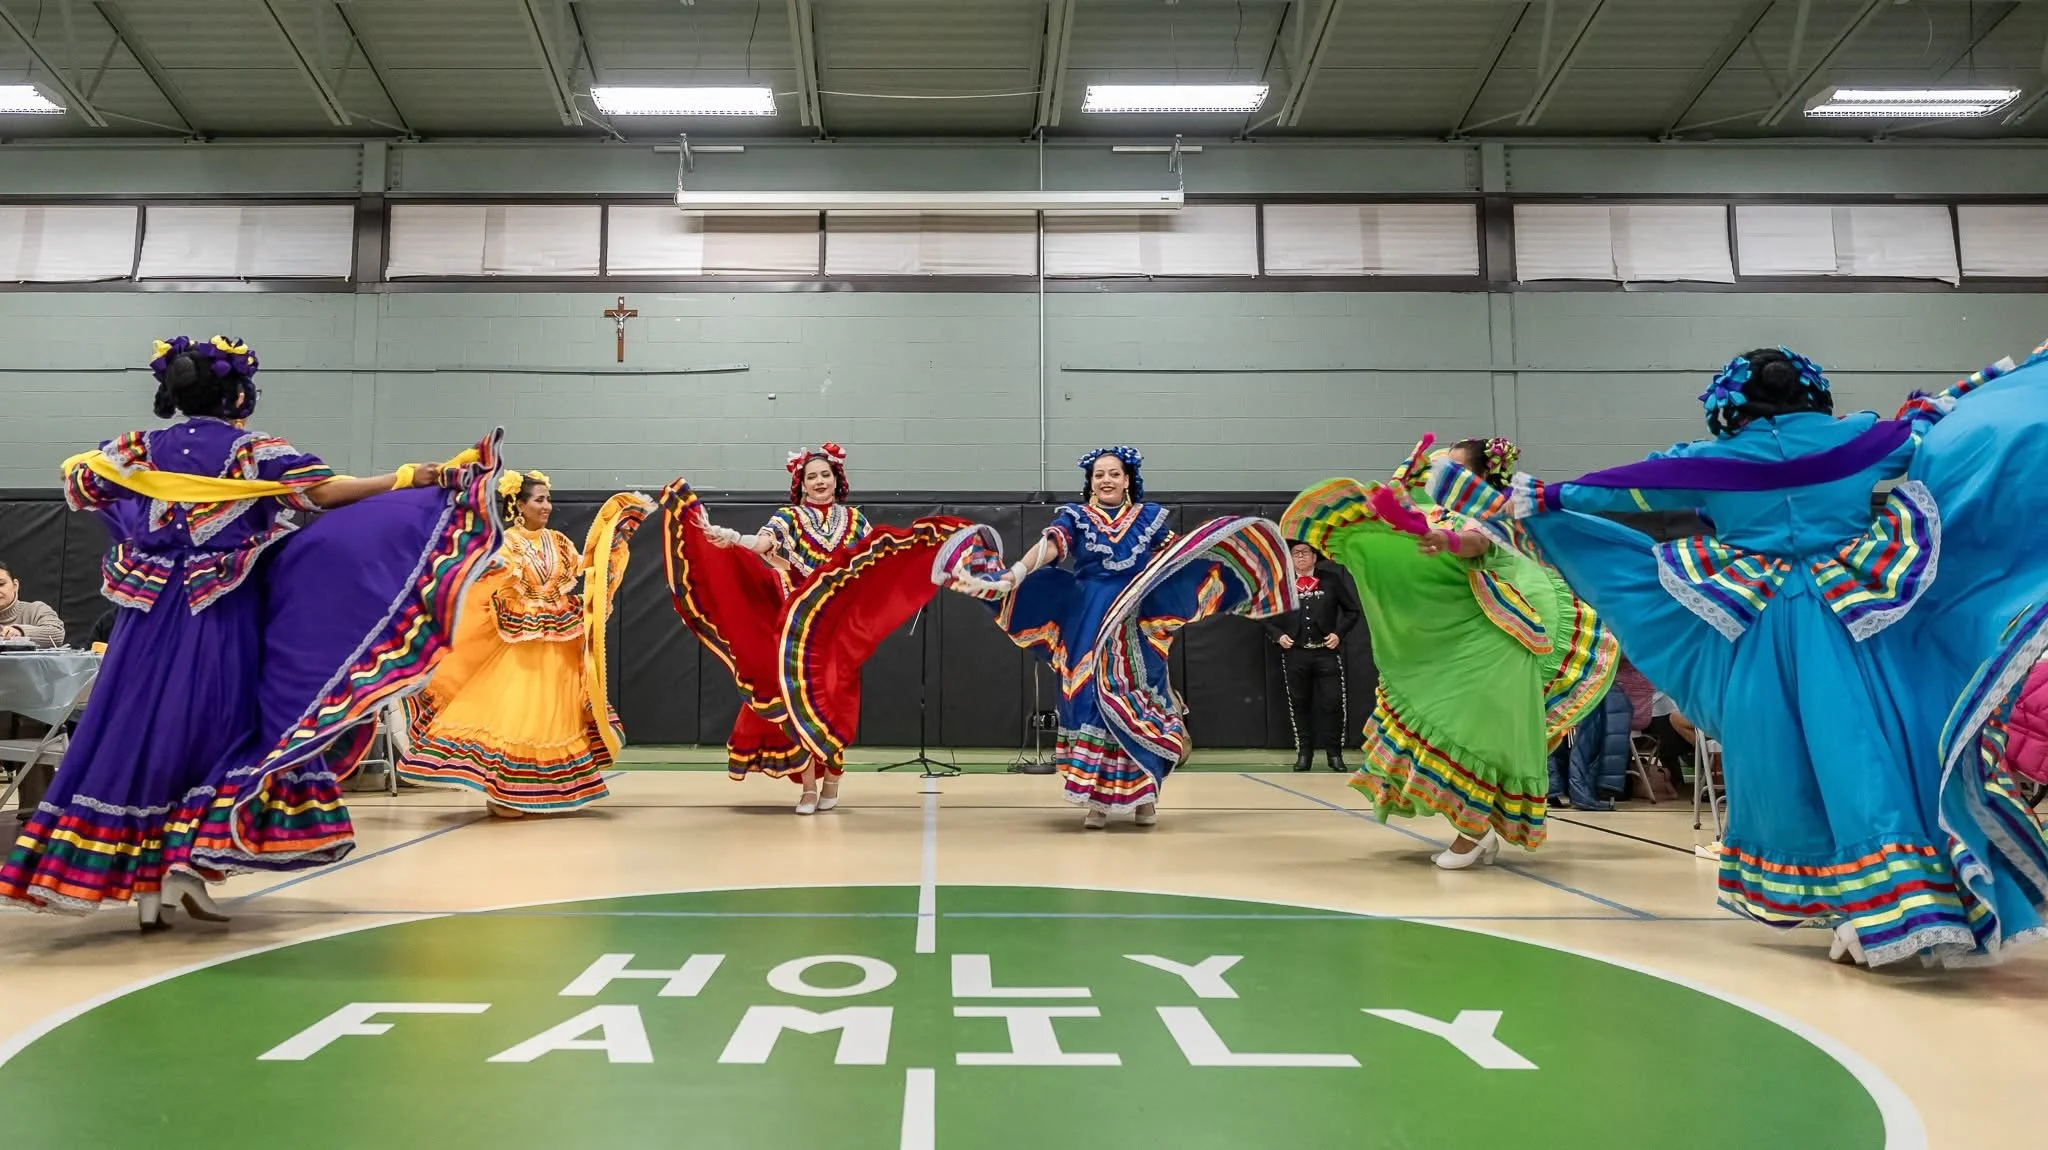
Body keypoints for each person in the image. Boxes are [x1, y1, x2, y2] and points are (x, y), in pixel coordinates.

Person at [1428, 343, 2048, 968]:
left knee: (1784, 761)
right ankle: (1893, 896)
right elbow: (1930, 436)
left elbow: (1618, 489)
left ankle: (1866, 905)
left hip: (1763, 628)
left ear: (1731, 403)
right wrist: (1963, 399)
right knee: (1875, 746)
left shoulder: (1706, 461)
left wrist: (1545, 498)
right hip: (1861, 617)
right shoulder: (1862, 438)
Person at [0, 335, 502, 928]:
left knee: (142, 729)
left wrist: (153, 513)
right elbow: (324, 494)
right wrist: (411, 477)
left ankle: (149, 887)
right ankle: (184, 866)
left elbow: (83, 483)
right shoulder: (252, 450)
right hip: (219, 609)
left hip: (146, 614)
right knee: (227, 725)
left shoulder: (137, 448)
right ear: (240, 393)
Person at [1283, 435, 1615, 868]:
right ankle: (1474, 829)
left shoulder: (1494, 513)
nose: (1441, 477)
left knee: (1476, 736)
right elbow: (1400, 523)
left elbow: (1478, 544)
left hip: (1493, 641)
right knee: (1453, 726)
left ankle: (1472, 832)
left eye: (1452, 470)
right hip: (1453, 640)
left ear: (1477, 476)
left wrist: (1446, 540)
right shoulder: (1438, 510)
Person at [941, 447, 1295, 829]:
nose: (1106, 480)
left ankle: (1144, 799)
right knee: (1091, 700)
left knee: (1138, 699)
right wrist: (1016, 573)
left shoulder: (1150, 518)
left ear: (1128, 480)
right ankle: (1097, 802)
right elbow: (1052, 545)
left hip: (1136, 619)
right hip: (1087, 618)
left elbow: (1173, 558)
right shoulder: (1075, 517)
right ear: (1090, 482)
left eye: (1113, 473)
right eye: (1098, 475)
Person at [660, 444, 970, 815]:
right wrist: (734, 538)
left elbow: (876, 563)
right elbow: (764, 544)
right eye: (812, 477)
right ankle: (808, 786)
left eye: (825, 475)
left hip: (841, 628)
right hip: (798, 624)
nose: (820, 481)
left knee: (834, 702)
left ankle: (834, 777)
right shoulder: (788, 518)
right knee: (795, 700)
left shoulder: (855, 521)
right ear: (801, 485)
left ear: (837, 479)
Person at [399, 470, 650, 817]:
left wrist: (616, 535)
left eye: (548, 499)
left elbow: (587, 568)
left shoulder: (559, 541)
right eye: (539, 499)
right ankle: (501, 792)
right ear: (519, 504)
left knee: (551, 715)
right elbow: (483, 582)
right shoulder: (506, 543)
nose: (547, 505)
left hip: (559, 640)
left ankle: (534, 792)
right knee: (517, 713)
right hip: (521, 641)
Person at [1263, 539, 1361, 772]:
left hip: (1326, 653)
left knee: (1333, 703)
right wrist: (1278, 636)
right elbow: (1263, 615)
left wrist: (1339, 633)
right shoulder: (1281, 584)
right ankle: (1304, 754)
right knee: (1299, 703)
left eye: (1305, 553)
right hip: (1295, 654)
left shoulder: (1331, 581)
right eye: (1295, 553)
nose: (1300, 557)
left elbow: (1352, 611)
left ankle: (1334, 755)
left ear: (1314, 557)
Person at [0, 562, 65, 647]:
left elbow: (57, 634)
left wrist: (19, 632)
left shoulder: (36, 610)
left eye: (1, 584)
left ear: (15, 585)